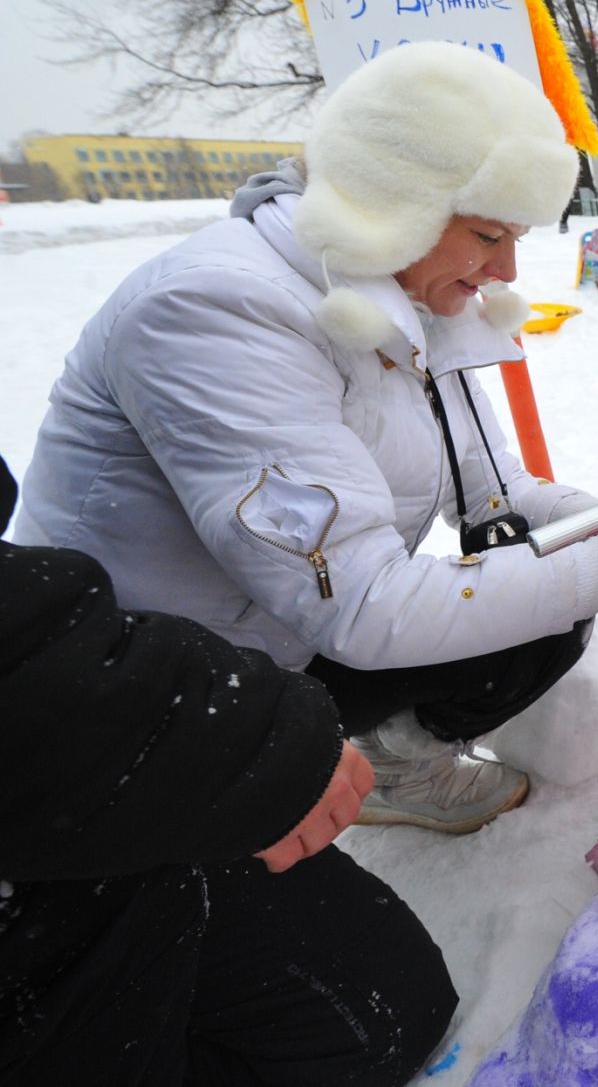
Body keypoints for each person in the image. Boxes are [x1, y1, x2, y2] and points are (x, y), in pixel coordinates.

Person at [18, 41, 598, 836]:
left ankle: (390, 760)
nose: (509, 270)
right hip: (152, 681)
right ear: (399, 201)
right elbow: (359, 604)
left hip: (285, 622)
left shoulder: (400, 287)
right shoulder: (220, 310)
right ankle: (232, 799)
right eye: (491, 235)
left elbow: (493, 494)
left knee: (553, 604)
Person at [1, 451, 459, 1083]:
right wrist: (253, 745)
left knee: (387, 997)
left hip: (84, 742)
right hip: (100, 713)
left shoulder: (426, 356)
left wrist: (583, 532)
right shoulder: (198, 357)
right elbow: (360, 596)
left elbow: (485, 482)